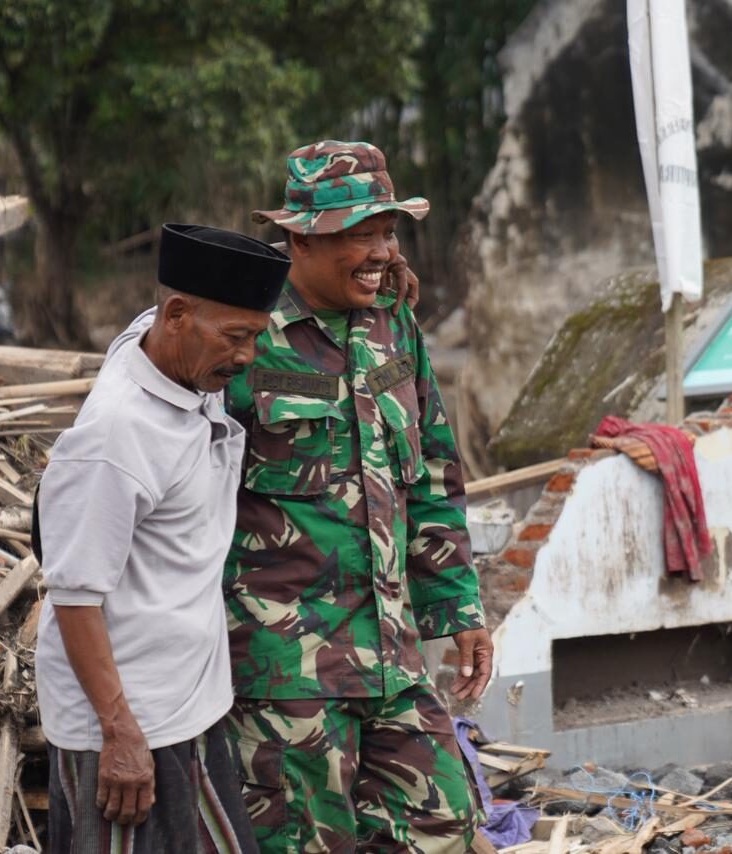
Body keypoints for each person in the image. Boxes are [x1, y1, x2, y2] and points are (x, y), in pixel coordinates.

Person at [223, 140, 493, 853]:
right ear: (301, 239)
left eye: (388, 231)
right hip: (285, 676)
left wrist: (457, 605)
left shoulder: (392, 323)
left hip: (392, 659)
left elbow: (433, 471)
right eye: (360, 234)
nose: (381, 251)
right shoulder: (244, 335)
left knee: (446, 828)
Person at [33, 224, 290, 854]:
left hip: (188, 707)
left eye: (256, 336)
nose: (248, 357)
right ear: (176, 315)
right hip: (130, 724)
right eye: (237, 337)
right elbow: (74, 596)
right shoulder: (115, 437)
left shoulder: (164, 352)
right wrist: (120, 734)